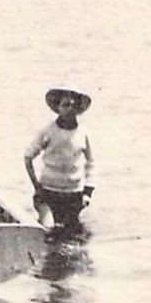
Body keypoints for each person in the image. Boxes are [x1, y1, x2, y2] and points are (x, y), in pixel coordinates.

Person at [24, 86, 95, 236]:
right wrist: (36, 186)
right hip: (48, 193)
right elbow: (28, 157)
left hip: (74, 195)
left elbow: (91, 163)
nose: (70, 109)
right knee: (48, 230)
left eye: (73, 105)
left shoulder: (83, 133)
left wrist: (88, 191)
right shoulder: (48, 131)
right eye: (65, 105)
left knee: (75, 236)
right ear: (57, 107)